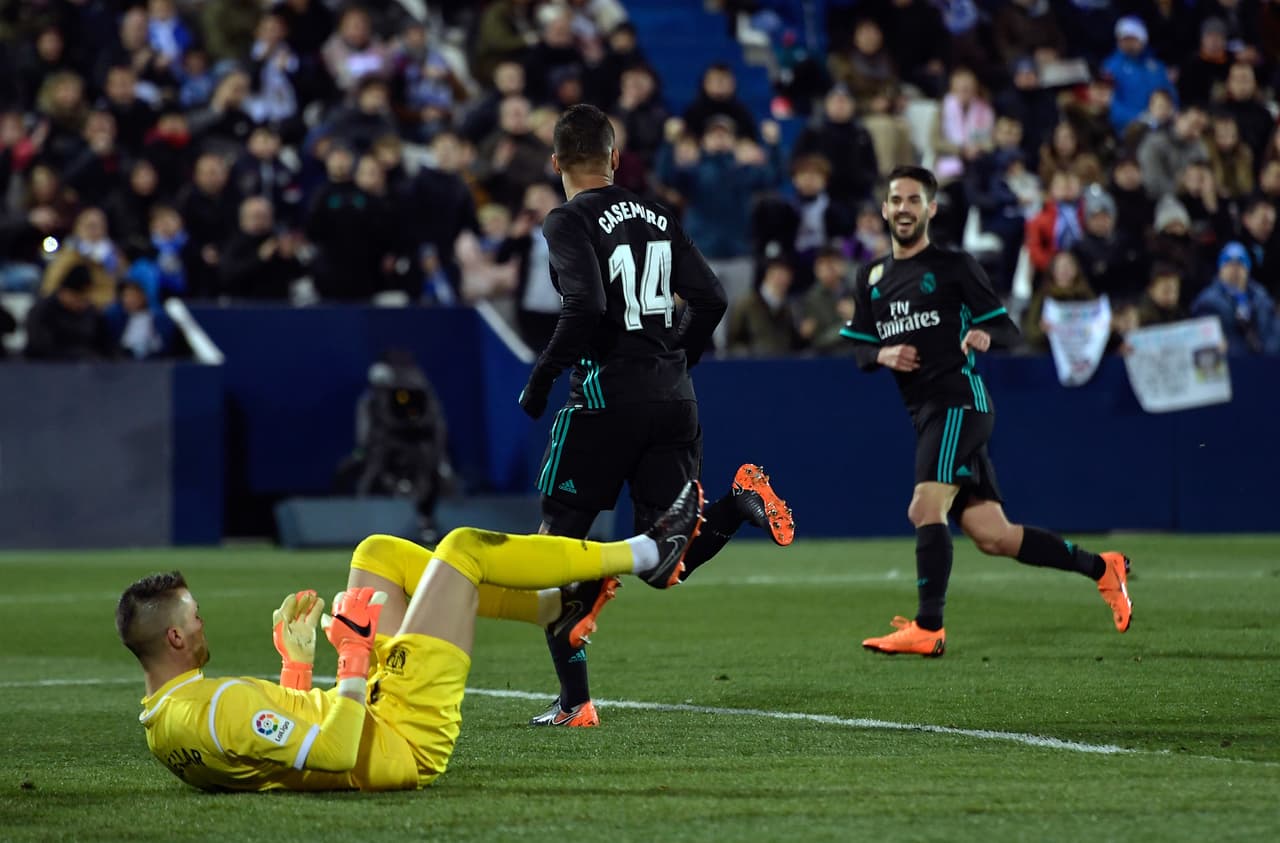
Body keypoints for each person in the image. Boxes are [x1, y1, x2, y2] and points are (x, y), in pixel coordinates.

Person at [119, 483, 706, 792]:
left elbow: (269, 762)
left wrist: (297, 670)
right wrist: (350, 659)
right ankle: (647, 553)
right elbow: (333, 755)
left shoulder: (168, 730)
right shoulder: (218, 704)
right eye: (194, 617)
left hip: (374, 716)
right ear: (173, 637)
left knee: (374, 554)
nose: (203, 623)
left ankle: (554, 610)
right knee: (464, 548)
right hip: (403, 737)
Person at [517, 104, 794, 726]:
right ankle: (738, 503)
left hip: (603, 401)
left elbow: (584, 306)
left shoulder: (566, 219)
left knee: (555, 546)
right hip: (673, 399)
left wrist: (541, 376)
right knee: (665, 561)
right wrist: (677, 362)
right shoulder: (659, 213)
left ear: (556, 162)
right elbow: (713, 297)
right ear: (615, 159)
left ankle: (576, 702)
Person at [840, 165, 1133, 656]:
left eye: (914, 200)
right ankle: (1103, 569)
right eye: (896, 200)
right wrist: (883, 354)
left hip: (959, 402)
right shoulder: (871, 278)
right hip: (927, 413)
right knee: (993, 535)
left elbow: (1009, 330)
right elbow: (860, 350)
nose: (904, 209)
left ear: (930, 209)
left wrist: (983, 335)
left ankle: (928, 627)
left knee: (924, 507)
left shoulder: (954, 267)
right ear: (886, 209)